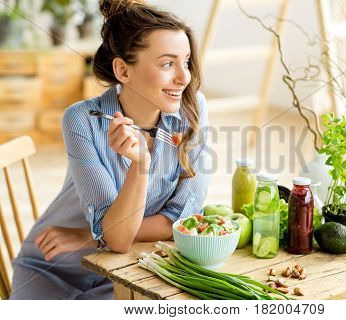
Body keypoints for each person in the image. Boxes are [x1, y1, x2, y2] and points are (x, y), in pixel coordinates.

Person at [10, 0, 210, 299]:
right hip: (52, 267)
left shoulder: (193, 110)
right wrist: (140, 165)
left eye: (186, 61)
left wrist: (91, 236)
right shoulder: (82, 120)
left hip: (124, 270)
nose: (185, 77)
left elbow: (181, 218)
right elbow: (117, 237)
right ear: (123, 71)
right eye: (168, 63)